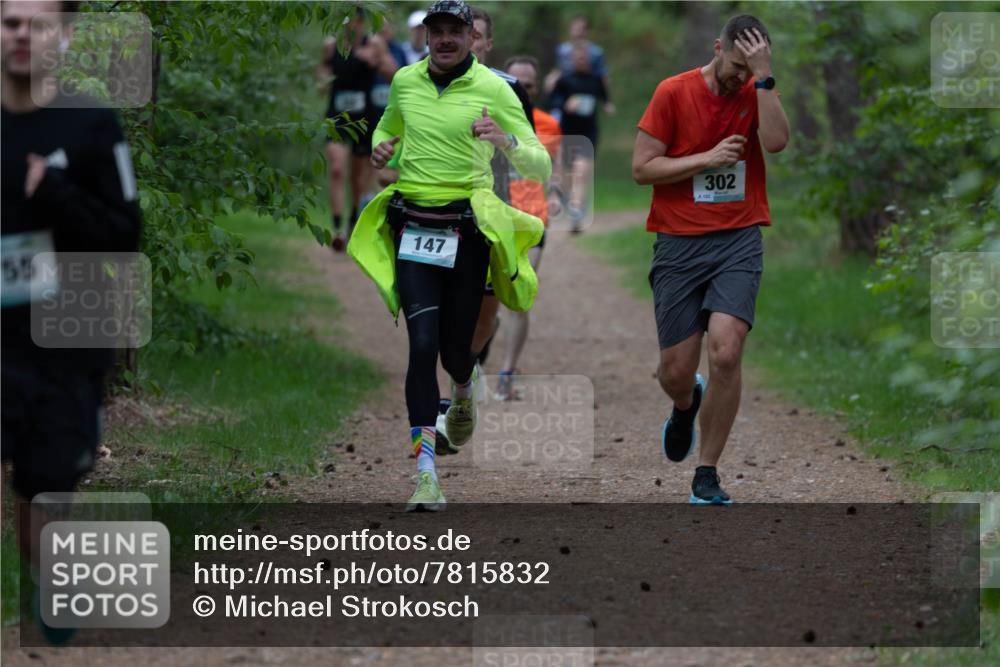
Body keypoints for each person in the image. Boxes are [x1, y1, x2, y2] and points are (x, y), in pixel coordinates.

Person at [349, 0, 550, 511]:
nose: (444, 39)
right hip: (414, 223)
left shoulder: (496, 89)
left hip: (468, 228)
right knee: (420, 344)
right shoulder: (404, 83)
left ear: (469, 35)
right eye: (435, 31)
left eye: (453, 31)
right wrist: (380, 150)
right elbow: (388, 131)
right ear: (426, 37)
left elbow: (540, 164)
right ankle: (425, 474)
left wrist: (504, 139)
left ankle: (463, 388)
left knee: (454, 352)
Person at [1, 0, 142, 642]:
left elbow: (124, 232)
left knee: (45, 482)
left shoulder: (90, 124)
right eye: (9, 22)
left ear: (66, 34)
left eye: (38, 23)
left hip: (67, 333)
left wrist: (56, 193)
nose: (23, 35)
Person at [631, 15, 789, 505]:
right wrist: (706, 159)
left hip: (737, 240)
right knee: (676, 372)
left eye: (751, 70)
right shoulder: (673, 93)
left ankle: (707, 472)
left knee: (726, 350)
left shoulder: (756, 89)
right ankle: (684, 403)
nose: (740, 78)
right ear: (717, 46)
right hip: (679, 242)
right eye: (737, 66)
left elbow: (778, 142)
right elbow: (642, 168)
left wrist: (764, 78)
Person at [494, 56, 562, 401]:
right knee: (483, 301)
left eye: (529, 85)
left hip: (533, 220)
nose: (522, 90)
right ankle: (472, 364)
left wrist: (558, 194)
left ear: (537, 89)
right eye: (515, 83)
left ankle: (506, 370)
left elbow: (553, 170)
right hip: (493, 219)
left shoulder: (548, 124)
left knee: (518, 299)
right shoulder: (484, 121)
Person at [318, 8, 397, 251]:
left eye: (356, 19)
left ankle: (354, 219)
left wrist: (377, 62)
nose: (351, 24)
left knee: (359, 178)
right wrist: (323, 81)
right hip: (337, 117)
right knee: (338, 169)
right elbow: (322, 73)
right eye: (346, 18)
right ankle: (337, 227)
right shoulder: (331, 45)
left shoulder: (373, 43)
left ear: (362, 21)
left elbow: (395, 74)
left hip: (364, 119)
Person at [548, 43, 610, 232]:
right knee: (567, 175)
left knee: (582, 170)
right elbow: (551, 100)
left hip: (589, 132)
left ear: (589, 60)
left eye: (584, 58)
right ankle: (572, 205)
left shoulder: (596, 79)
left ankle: (576, 211)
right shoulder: (565, 80)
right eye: (578, 58)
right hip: (568, 132)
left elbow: (604, 96)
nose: (581, 61)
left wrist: (608, 105)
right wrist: (565, 103)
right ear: (572, 60)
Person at [543, 14, 613, 111]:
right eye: (575, 29)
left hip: (586, 86)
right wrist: (551, 80)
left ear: (586, 31)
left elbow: (602, 76)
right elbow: (558, 69)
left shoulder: (596, 51)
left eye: (581, 29)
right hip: (566, 86)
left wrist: (606, 100)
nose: (578, 32)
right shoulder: (563, 49)